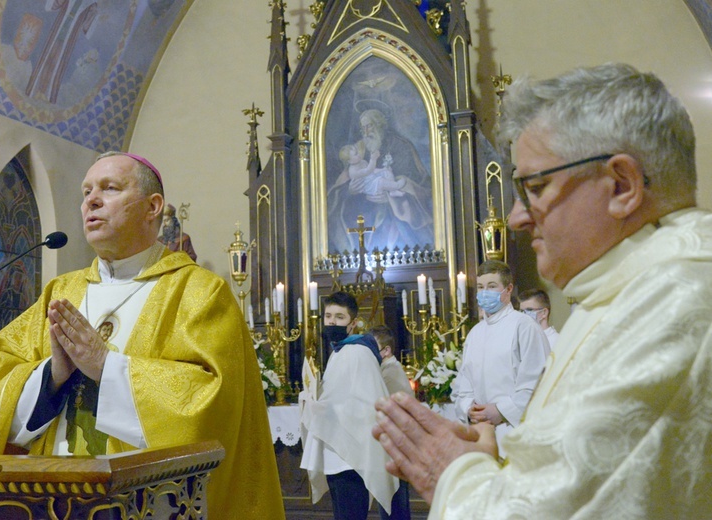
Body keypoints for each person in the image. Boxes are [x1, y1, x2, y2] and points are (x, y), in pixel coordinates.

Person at [372, 63, 712, 518]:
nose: (516, 217)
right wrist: (490, 464)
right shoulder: (627, 285)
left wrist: (450, 473)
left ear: (621, 185)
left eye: (534, 187)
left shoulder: (677, 296)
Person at [0, 151, 284, 519]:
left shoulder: (198, 291)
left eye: (110, 188)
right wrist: (52, 376)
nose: (91, 200)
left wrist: (107, 367)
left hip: (148, 503)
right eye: (86, 191)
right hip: (55, 498)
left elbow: (215, 404)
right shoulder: (61, 292)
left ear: (153, 206)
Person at [300, 291, 398, 519]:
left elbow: (361, 408)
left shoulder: (357, 353)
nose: (332, 322)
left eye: (339, 317)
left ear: (353, 323)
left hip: (350, 459)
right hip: (338, 454)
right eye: (328, 316)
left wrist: (314, 405)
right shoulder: (341, 350)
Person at [450, 260, 549, 455]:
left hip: (515, 432)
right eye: (480, 287)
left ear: (508, 289)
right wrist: (469, 409)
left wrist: (500, 411)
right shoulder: (475, 334)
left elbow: (538, 383)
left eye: (492, 286)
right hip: (480, 434)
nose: (484, 292)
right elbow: (464, 386)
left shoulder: (525, 326)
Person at [327, 109, 434, 252]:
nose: (365, 131)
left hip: (395, 212)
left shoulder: (401, 146)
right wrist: (350, 190)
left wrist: (389, 197)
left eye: (369, 126)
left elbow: (418, 183)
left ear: (380, 125)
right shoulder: (358, 149)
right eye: (362, 127)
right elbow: (344, 181)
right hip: (364, 209)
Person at [371, 325, 412, 520]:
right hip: (392, 446)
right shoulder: (385, 370)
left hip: (395, 448)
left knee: (394, 505)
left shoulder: (389, 372)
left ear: (386, 351)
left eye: (373, 348)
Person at [340, 143, 407, 198]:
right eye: (356, 154)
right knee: (381, 181)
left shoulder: (362, 161)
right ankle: (397, 185)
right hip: (370, 186)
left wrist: (383, 169)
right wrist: (373, 159)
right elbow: (368, 170)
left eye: (357, 152)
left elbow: (372, 171)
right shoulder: (353, 171)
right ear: (349, 161)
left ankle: (393, 191)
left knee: (386, 171)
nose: (359, 154)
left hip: (372, 178)